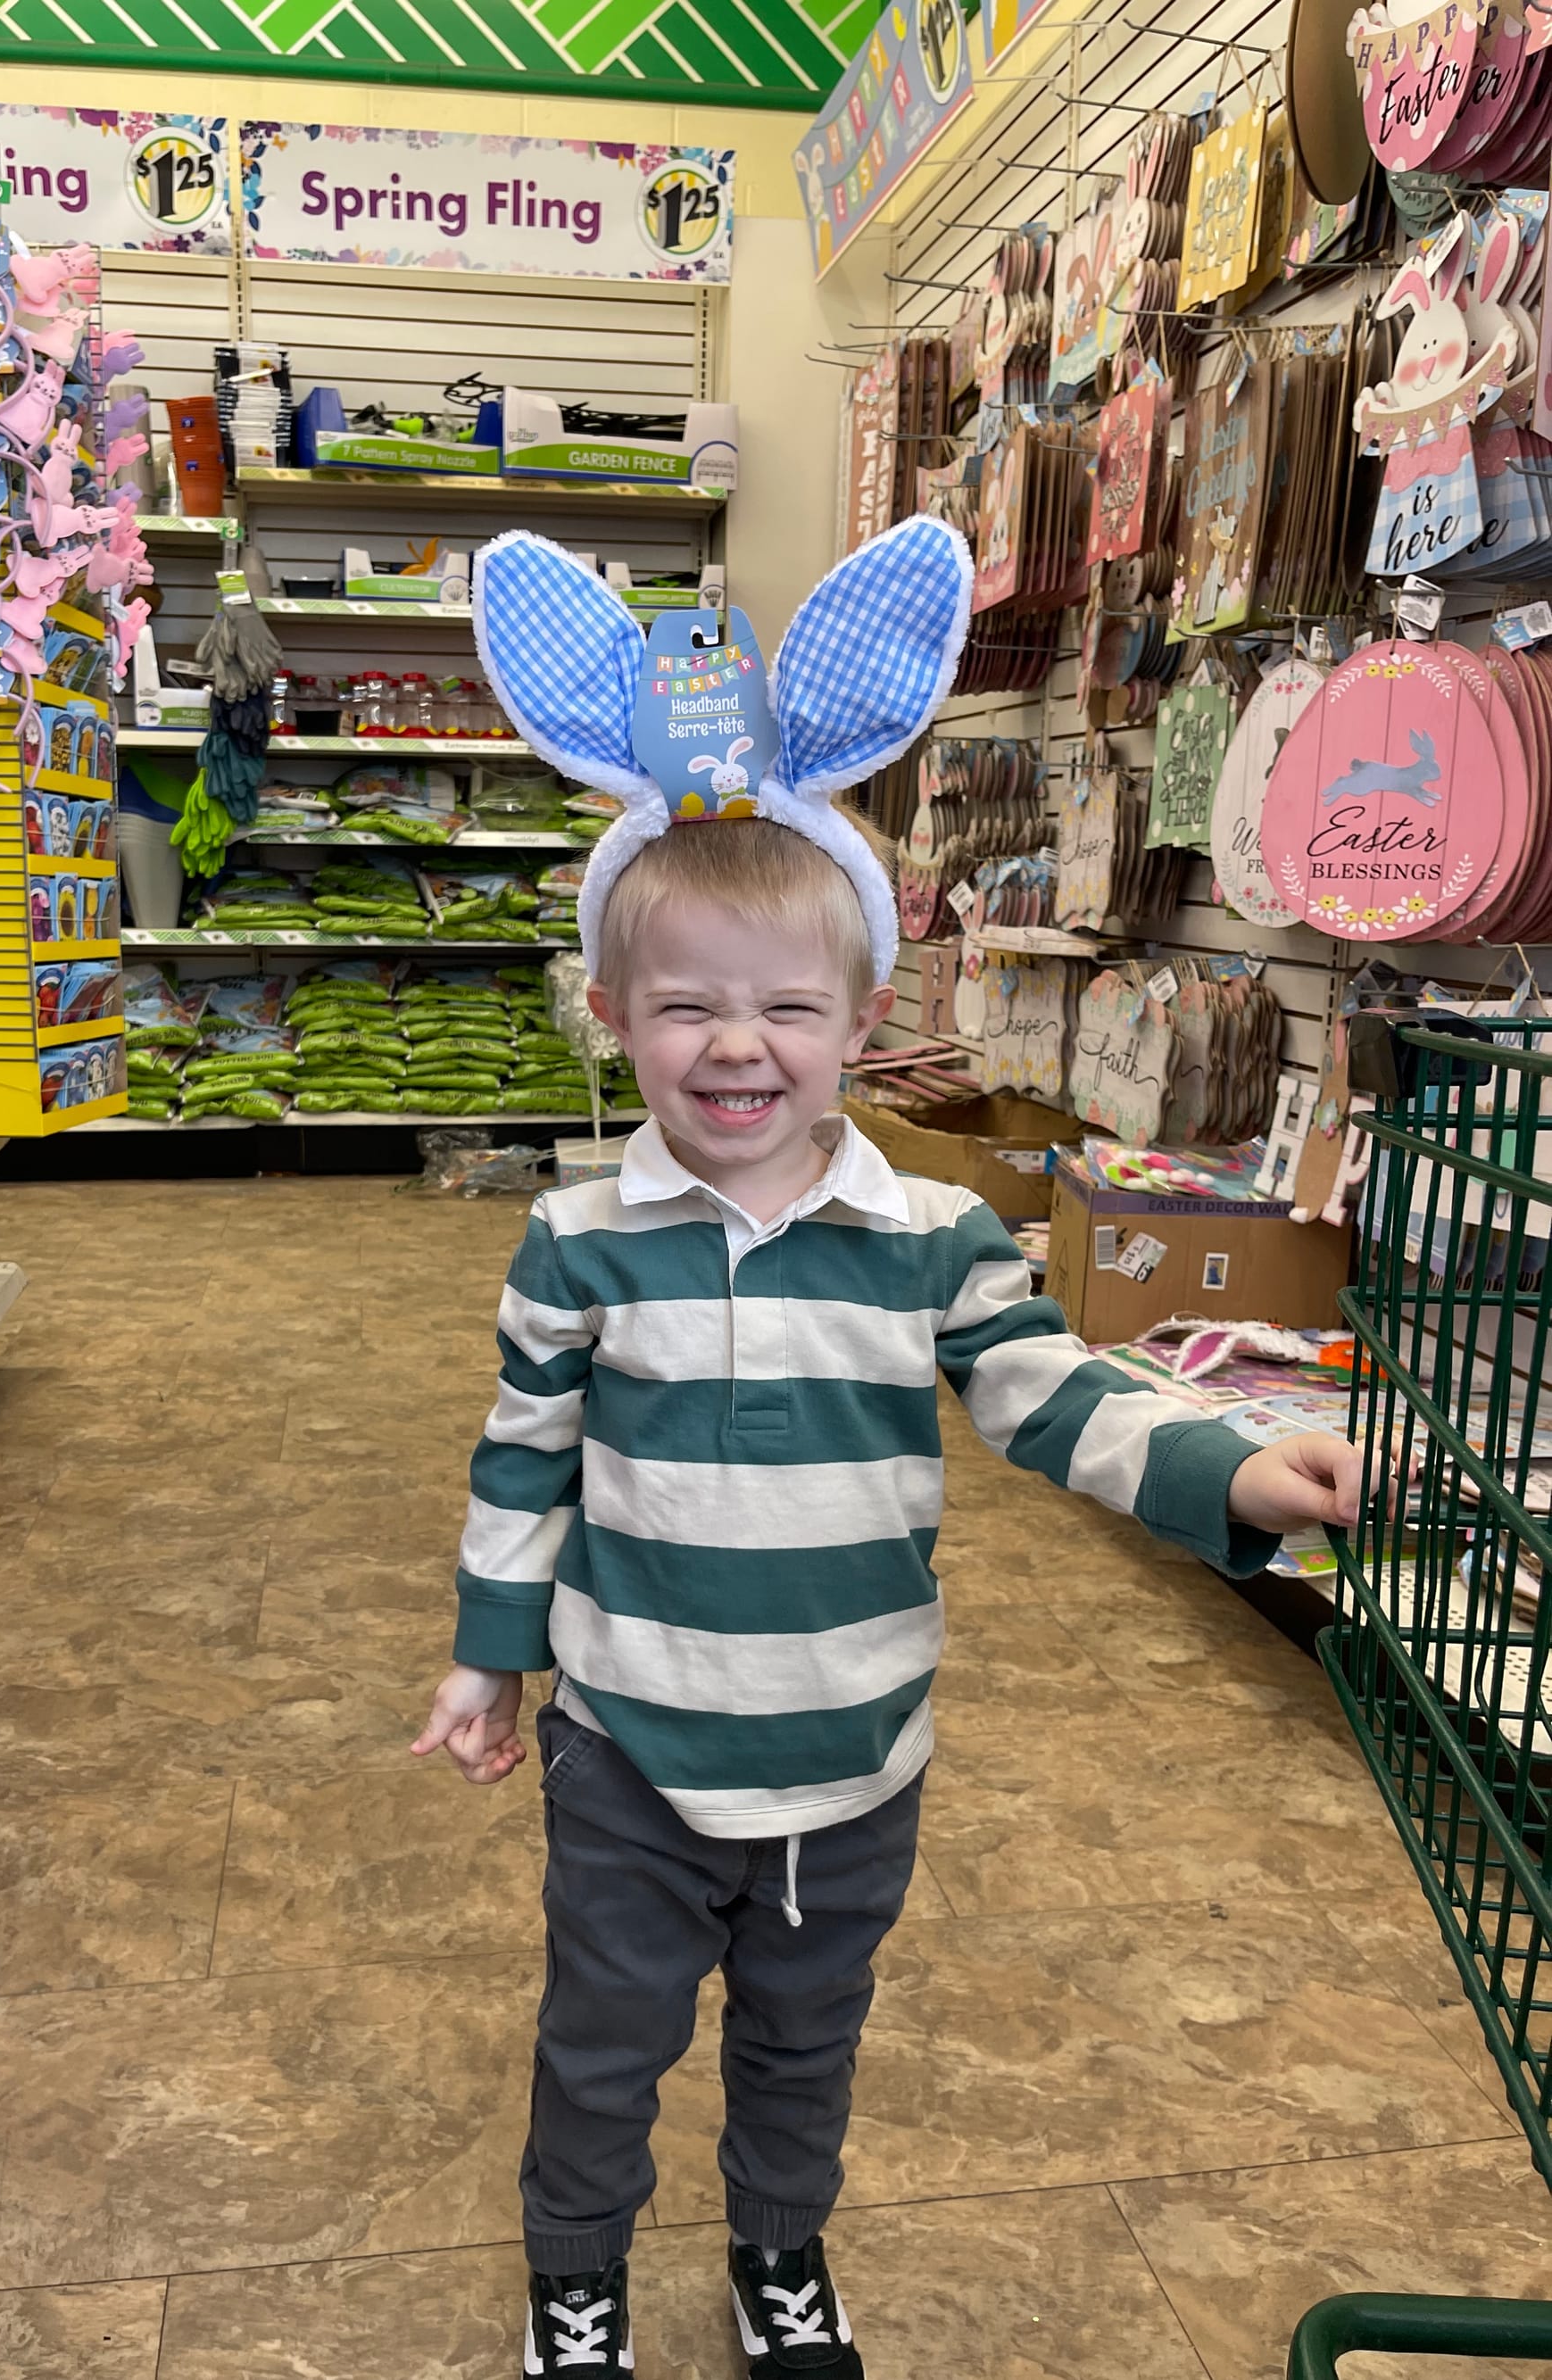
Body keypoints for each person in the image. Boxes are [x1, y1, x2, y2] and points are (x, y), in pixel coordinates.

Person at [411, 523, 1368, 2379]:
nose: (737, 1046)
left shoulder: (935, 1235)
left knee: (804, 2039)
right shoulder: (575, 1240)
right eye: (685, 1003)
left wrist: (1228, 1476)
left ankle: (782, 2253)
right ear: (610, 1014)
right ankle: (573, 2279)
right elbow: (523, 1457)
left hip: (857, 1750)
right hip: (629, 1743)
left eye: (787, 1005)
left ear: (864, 1016)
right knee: (601, 2044)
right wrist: (487, 1656)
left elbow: (1049, 1392)